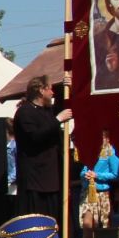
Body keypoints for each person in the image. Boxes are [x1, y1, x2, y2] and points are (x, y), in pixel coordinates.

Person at [13, 76, 72, 222]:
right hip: (35, 179)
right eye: (50, 89)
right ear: (40, 90)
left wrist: (68, 87)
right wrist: (57, 120)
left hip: (52, 176)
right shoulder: (25, 112)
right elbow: (35, 136)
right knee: (37, 220)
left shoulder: (47, 111)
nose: (52, 93)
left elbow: (65, 108)